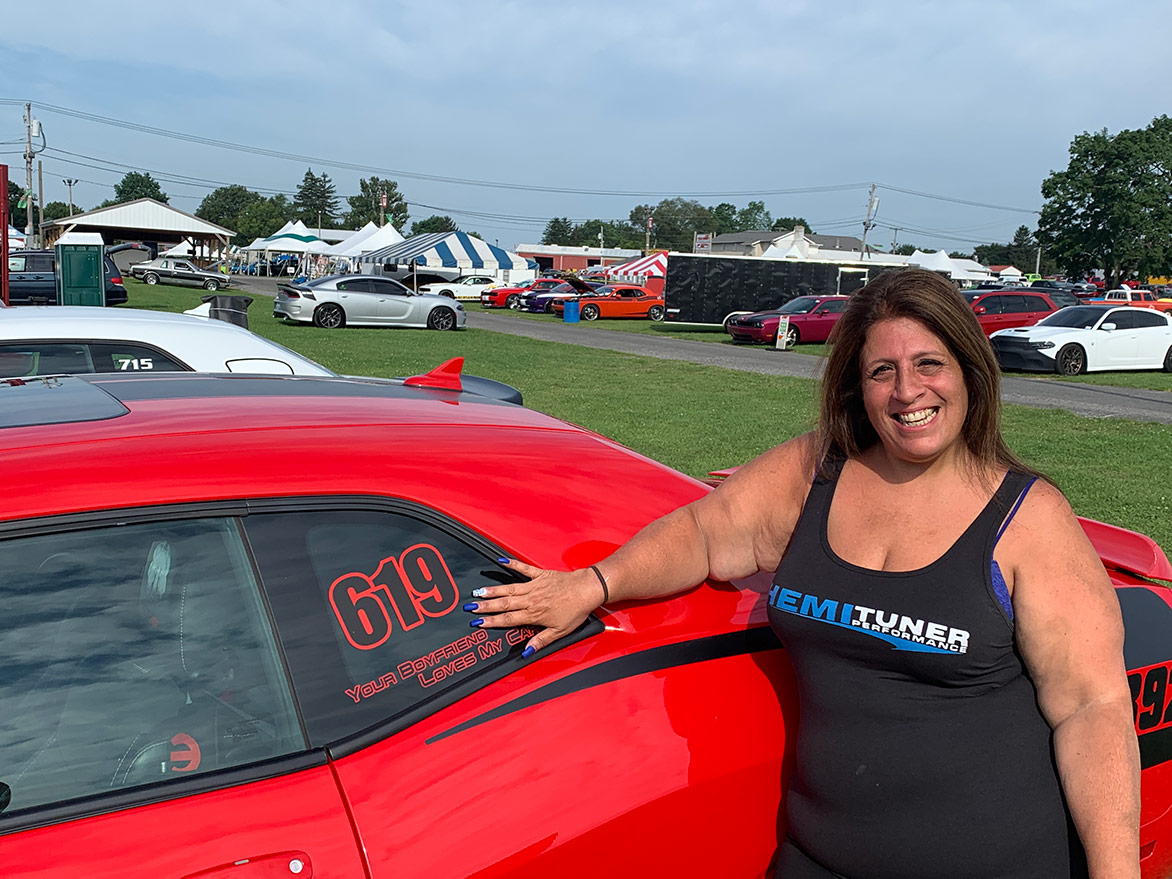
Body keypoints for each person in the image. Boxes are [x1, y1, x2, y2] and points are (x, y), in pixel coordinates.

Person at [466, 269, 1140, 878]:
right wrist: (593, 583)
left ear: (969, 371)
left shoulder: (1027, 517)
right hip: (820, 857)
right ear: (858, 383)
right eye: (883, 370)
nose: (908, 391)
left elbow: (1093, 707)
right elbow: (704, 531)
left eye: (929, 363)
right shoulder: (819, 469)